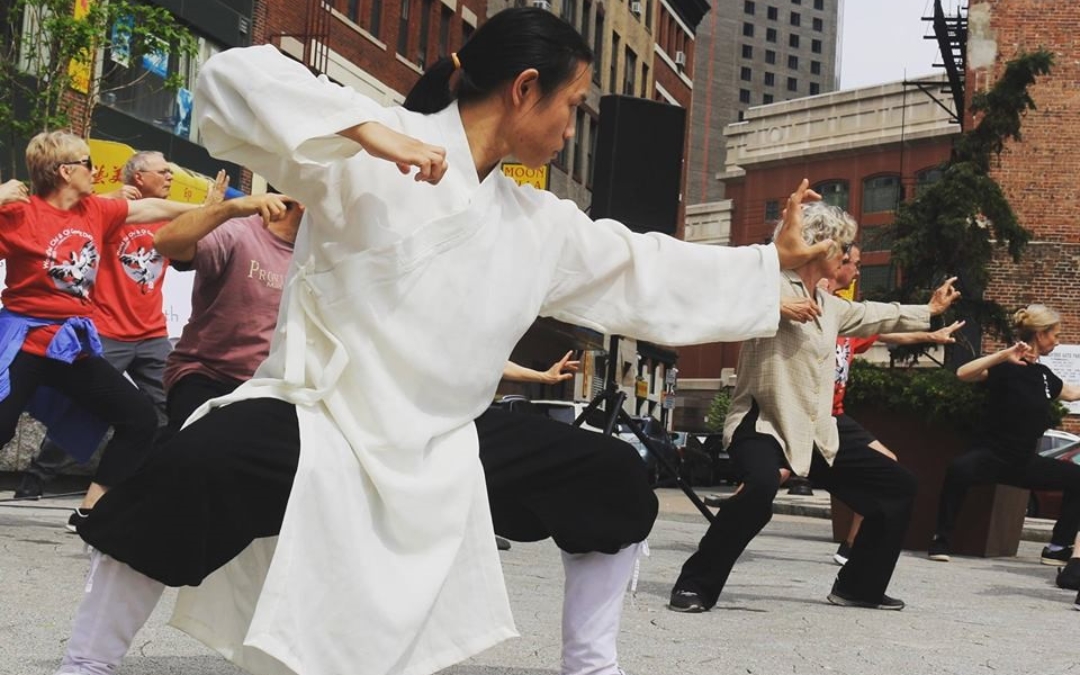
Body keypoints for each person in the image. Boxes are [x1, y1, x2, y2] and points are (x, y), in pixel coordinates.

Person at [53, 10, 834, 675]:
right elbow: (234, 80)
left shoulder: (540, 224)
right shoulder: (376, 147)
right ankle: (88, 658)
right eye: (571, 104)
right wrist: (366, 130)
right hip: (326, 415)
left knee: (613, 476)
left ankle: (591, 664)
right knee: (195, 460)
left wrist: (772, 264)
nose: (571, 126)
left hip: (446, 434)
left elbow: (645, 268)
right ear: (525, 89)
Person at [668, 203, 959, 614]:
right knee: (761, 487)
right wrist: (777, 307)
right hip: (764, 424)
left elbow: (874, 315)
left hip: (815, 432)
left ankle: (859, 587)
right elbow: (722, 300)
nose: (847, 258)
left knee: (898, 486)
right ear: (820, 247)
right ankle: (694, 585)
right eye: (842, 248)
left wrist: (927, 311)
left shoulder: (830, 304)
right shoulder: (766, 284)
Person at [14, 151, 227, 514]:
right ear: (139, 177)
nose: (170, 177)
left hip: (152, 334)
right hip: (106, 329)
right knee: (80, 408)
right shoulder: (107, 211)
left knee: (162, 410)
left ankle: (144, 484)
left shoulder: (166, 219)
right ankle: (39, 474)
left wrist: (211, 211)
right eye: (163, 172)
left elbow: (184, 248)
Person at [827, 244, 964, 565]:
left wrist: (931, 336)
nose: (859, 272)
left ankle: (850, 548)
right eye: (856, 265)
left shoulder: (848, 319)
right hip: (806, 414)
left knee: (887, 464)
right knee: (771, 472)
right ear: (837, 264)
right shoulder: (819, 309)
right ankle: (731, 519)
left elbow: (889, 331)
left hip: (834, 416)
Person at [928, 305, 1080, 571]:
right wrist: (1003, 355)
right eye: (1055, 335)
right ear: (1040, 334)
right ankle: (941, 539)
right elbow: (964, 373)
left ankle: (1057, 548)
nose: (1057, 341)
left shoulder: (1043, 376)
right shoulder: (1004, 366)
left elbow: (1070, 392)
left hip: (1024, 462)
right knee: (959, 469)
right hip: (991, 455)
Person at [153, 192, 300, 433]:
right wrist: (229, 208)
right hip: (207, 374)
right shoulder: (239, 232)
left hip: (267, 386)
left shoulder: (316, 254)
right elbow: (165, 242)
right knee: (194, 449)